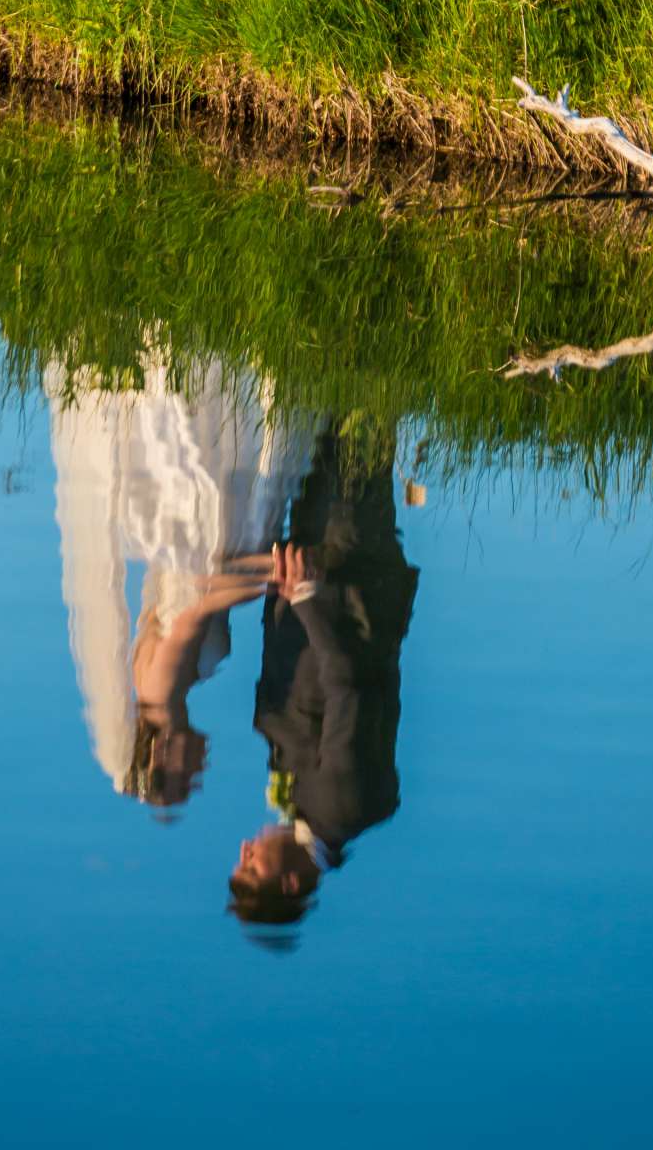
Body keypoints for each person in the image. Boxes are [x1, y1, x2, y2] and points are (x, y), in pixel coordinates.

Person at [46, 353, 315, 809]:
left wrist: (274, 577)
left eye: (184, 779)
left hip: (209, 540)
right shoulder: (154, 683)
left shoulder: (160, 687)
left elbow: (201, 598)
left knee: (228, 429)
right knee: (204, 423)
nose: (199, 773)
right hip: (194, 550)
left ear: (157, 759)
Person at [229, 435, 421, 928]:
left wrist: (282, 597)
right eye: (253, 866)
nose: (247, 848)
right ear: (291, 883)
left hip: (320, 571)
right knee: (358, 435)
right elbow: (348, 688)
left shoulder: (310, 813)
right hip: (347, 572)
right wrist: (307, 597)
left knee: (322, 420)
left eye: (242, 859)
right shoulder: (342, 807)